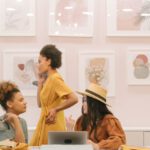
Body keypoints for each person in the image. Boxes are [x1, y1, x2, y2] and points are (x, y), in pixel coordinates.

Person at [30, 44, 78, 146]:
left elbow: (74, 98)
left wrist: (56, 109)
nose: (38, 65)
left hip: (53, 124)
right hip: (45, 122)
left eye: (40, 61)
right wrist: (40, 83)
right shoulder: (48, 80)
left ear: (49, 61)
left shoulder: (55, 78)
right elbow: (39, 104)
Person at [75, 83, 126, 150]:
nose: (83, 104)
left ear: (93, 104)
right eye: (83, 100)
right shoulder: (81, 120)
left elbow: (120, 141)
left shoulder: (109, 120)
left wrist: (98, 146)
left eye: (85, 101)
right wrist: (70, 129)